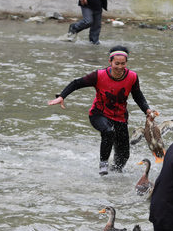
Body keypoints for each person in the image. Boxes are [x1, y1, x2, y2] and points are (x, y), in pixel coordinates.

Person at [50, 46, 157, 174]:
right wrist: (62, 96)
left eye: (123, 63)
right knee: (108, 131)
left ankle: (115, 174)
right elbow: (76, 83)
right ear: (110, 62)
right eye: (116, 63)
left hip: (120, 118)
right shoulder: (98, 75)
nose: (120, 67)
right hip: (99, 114)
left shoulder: (132, 77)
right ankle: (103, 163)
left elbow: (138, 96)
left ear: (126, 63)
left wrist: (147, 110)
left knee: (123, 155)